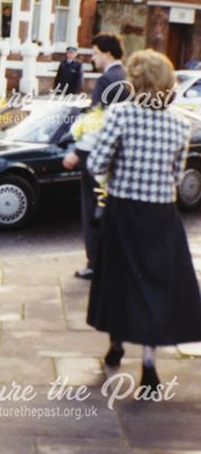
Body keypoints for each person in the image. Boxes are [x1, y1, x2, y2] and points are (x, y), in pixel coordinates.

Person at [86, 50, 201, 392]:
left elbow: (96, 164)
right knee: (155, 286)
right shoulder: (181, 123)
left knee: (118, 279)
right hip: (161, 215)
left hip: (123, 210)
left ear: (135, 81)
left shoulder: (120, 114)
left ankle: (116, 345)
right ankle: (149, 364)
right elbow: (176, 176)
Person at [63, 33, 128, 280]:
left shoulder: (106, 80)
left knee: (91, 211)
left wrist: (77, 152)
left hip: (97, 156)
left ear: (107, 53)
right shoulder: (127, 77)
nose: (92, 58)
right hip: (119, 158)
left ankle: (94, 263)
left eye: (95, 53)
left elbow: (95, 121)